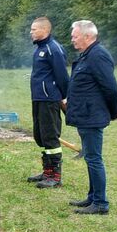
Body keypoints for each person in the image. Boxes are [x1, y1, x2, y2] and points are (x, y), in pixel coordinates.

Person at [64, 20, 117, 215]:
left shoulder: (98, 55)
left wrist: (114, 112)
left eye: (75, 36)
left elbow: (110, 87)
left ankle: (101, 203)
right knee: (89, 157)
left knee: (94, 158)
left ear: (88, 36)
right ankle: (92, 197)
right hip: (85, 114)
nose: (72, 39)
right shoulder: (87, 55)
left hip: (92, 115)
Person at [27, 17, 70, 188]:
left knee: (51, 136)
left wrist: (66, 98)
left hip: (49, 99)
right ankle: (47, 172)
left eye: (34, 29)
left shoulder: (54, 49)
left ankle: (55, 177)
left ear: (45, 30)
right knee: (40, 135)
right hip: (38, 98)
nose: (31, 32)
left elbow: (62, 76)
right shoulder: (39, 49)